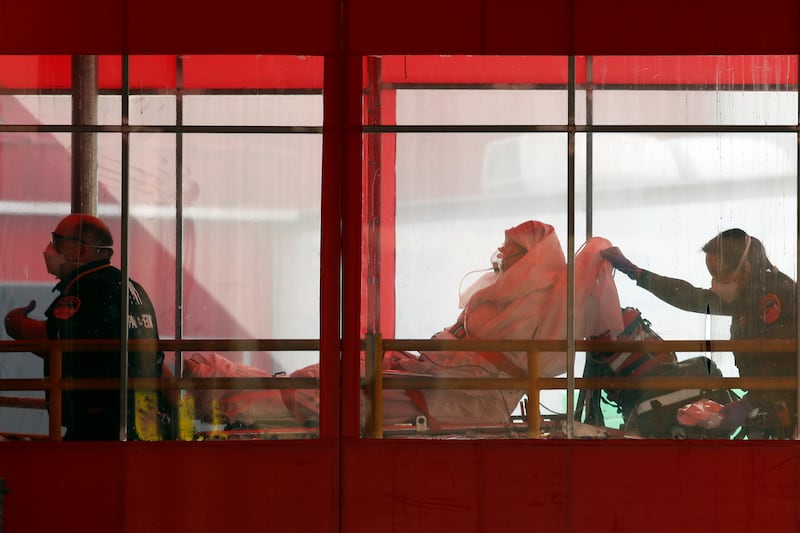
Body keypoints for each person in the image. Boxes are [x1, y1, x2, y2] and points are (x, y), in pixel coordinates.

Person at [601, 229, 797, 438]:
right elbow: (689, 297)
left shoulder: (775, 299)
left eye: (719, 275)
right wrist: (636, 272)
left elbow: (784, 365)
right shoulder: (748, 297)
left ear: (746, 269)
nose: (714, 283)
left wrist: (751, 404)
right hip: (772, 403)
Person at [4, 214, 166, 441]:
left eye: (58, 241)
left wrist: (15, 324)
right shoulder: (131, 287)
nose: (50, 248)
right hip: (137, 420)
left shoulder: (87, 289)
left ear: (83, 251)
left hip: (99, 425)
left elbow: (54, 341)